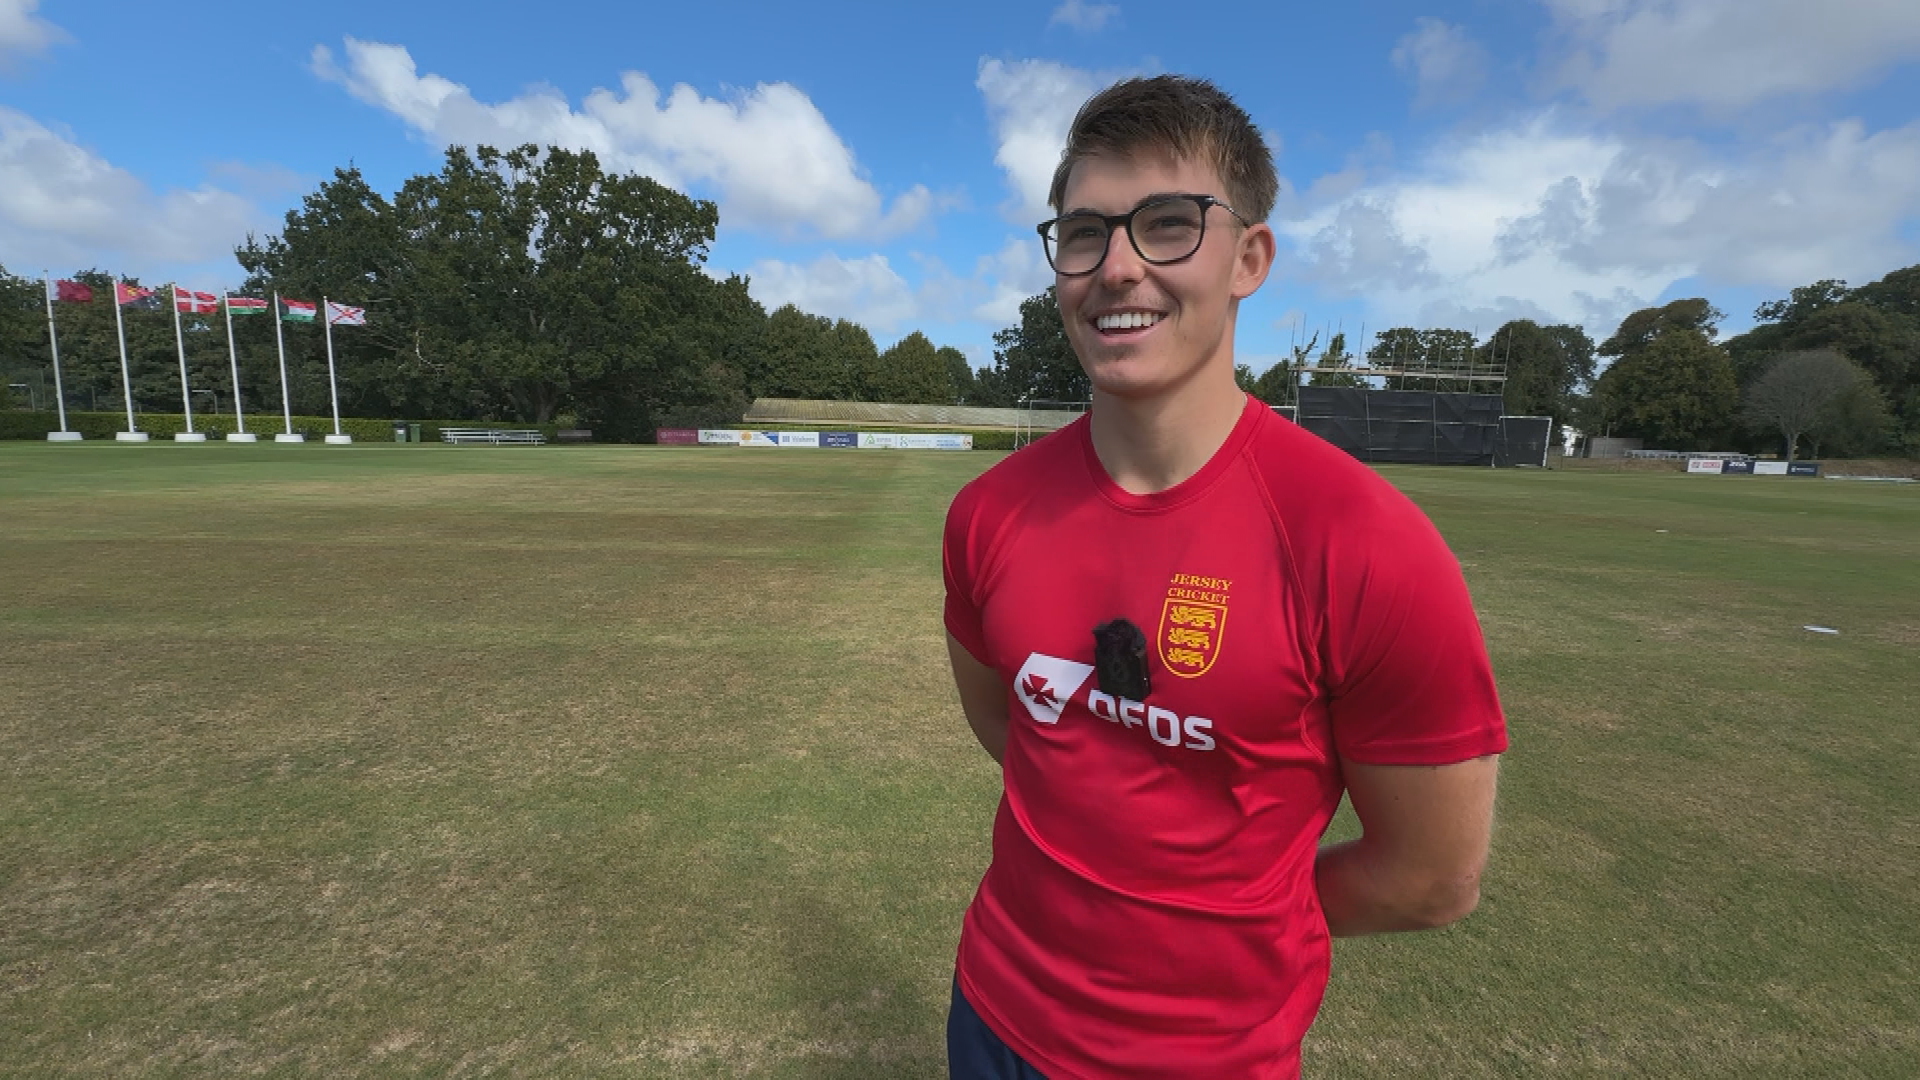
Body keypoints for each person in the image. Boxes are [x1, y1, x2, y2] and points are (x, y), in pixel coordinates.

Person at [941, 75, 1508, 1079]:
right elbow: (1018, 734)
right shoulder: (989, 512)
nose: (1117, 267)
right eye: (1084, 233)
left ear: (1250, 258)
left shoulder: (1367, 543)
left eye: (1167, 223)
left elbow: (1431, 880)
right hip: (992, 1013)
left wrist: (1223, 921)